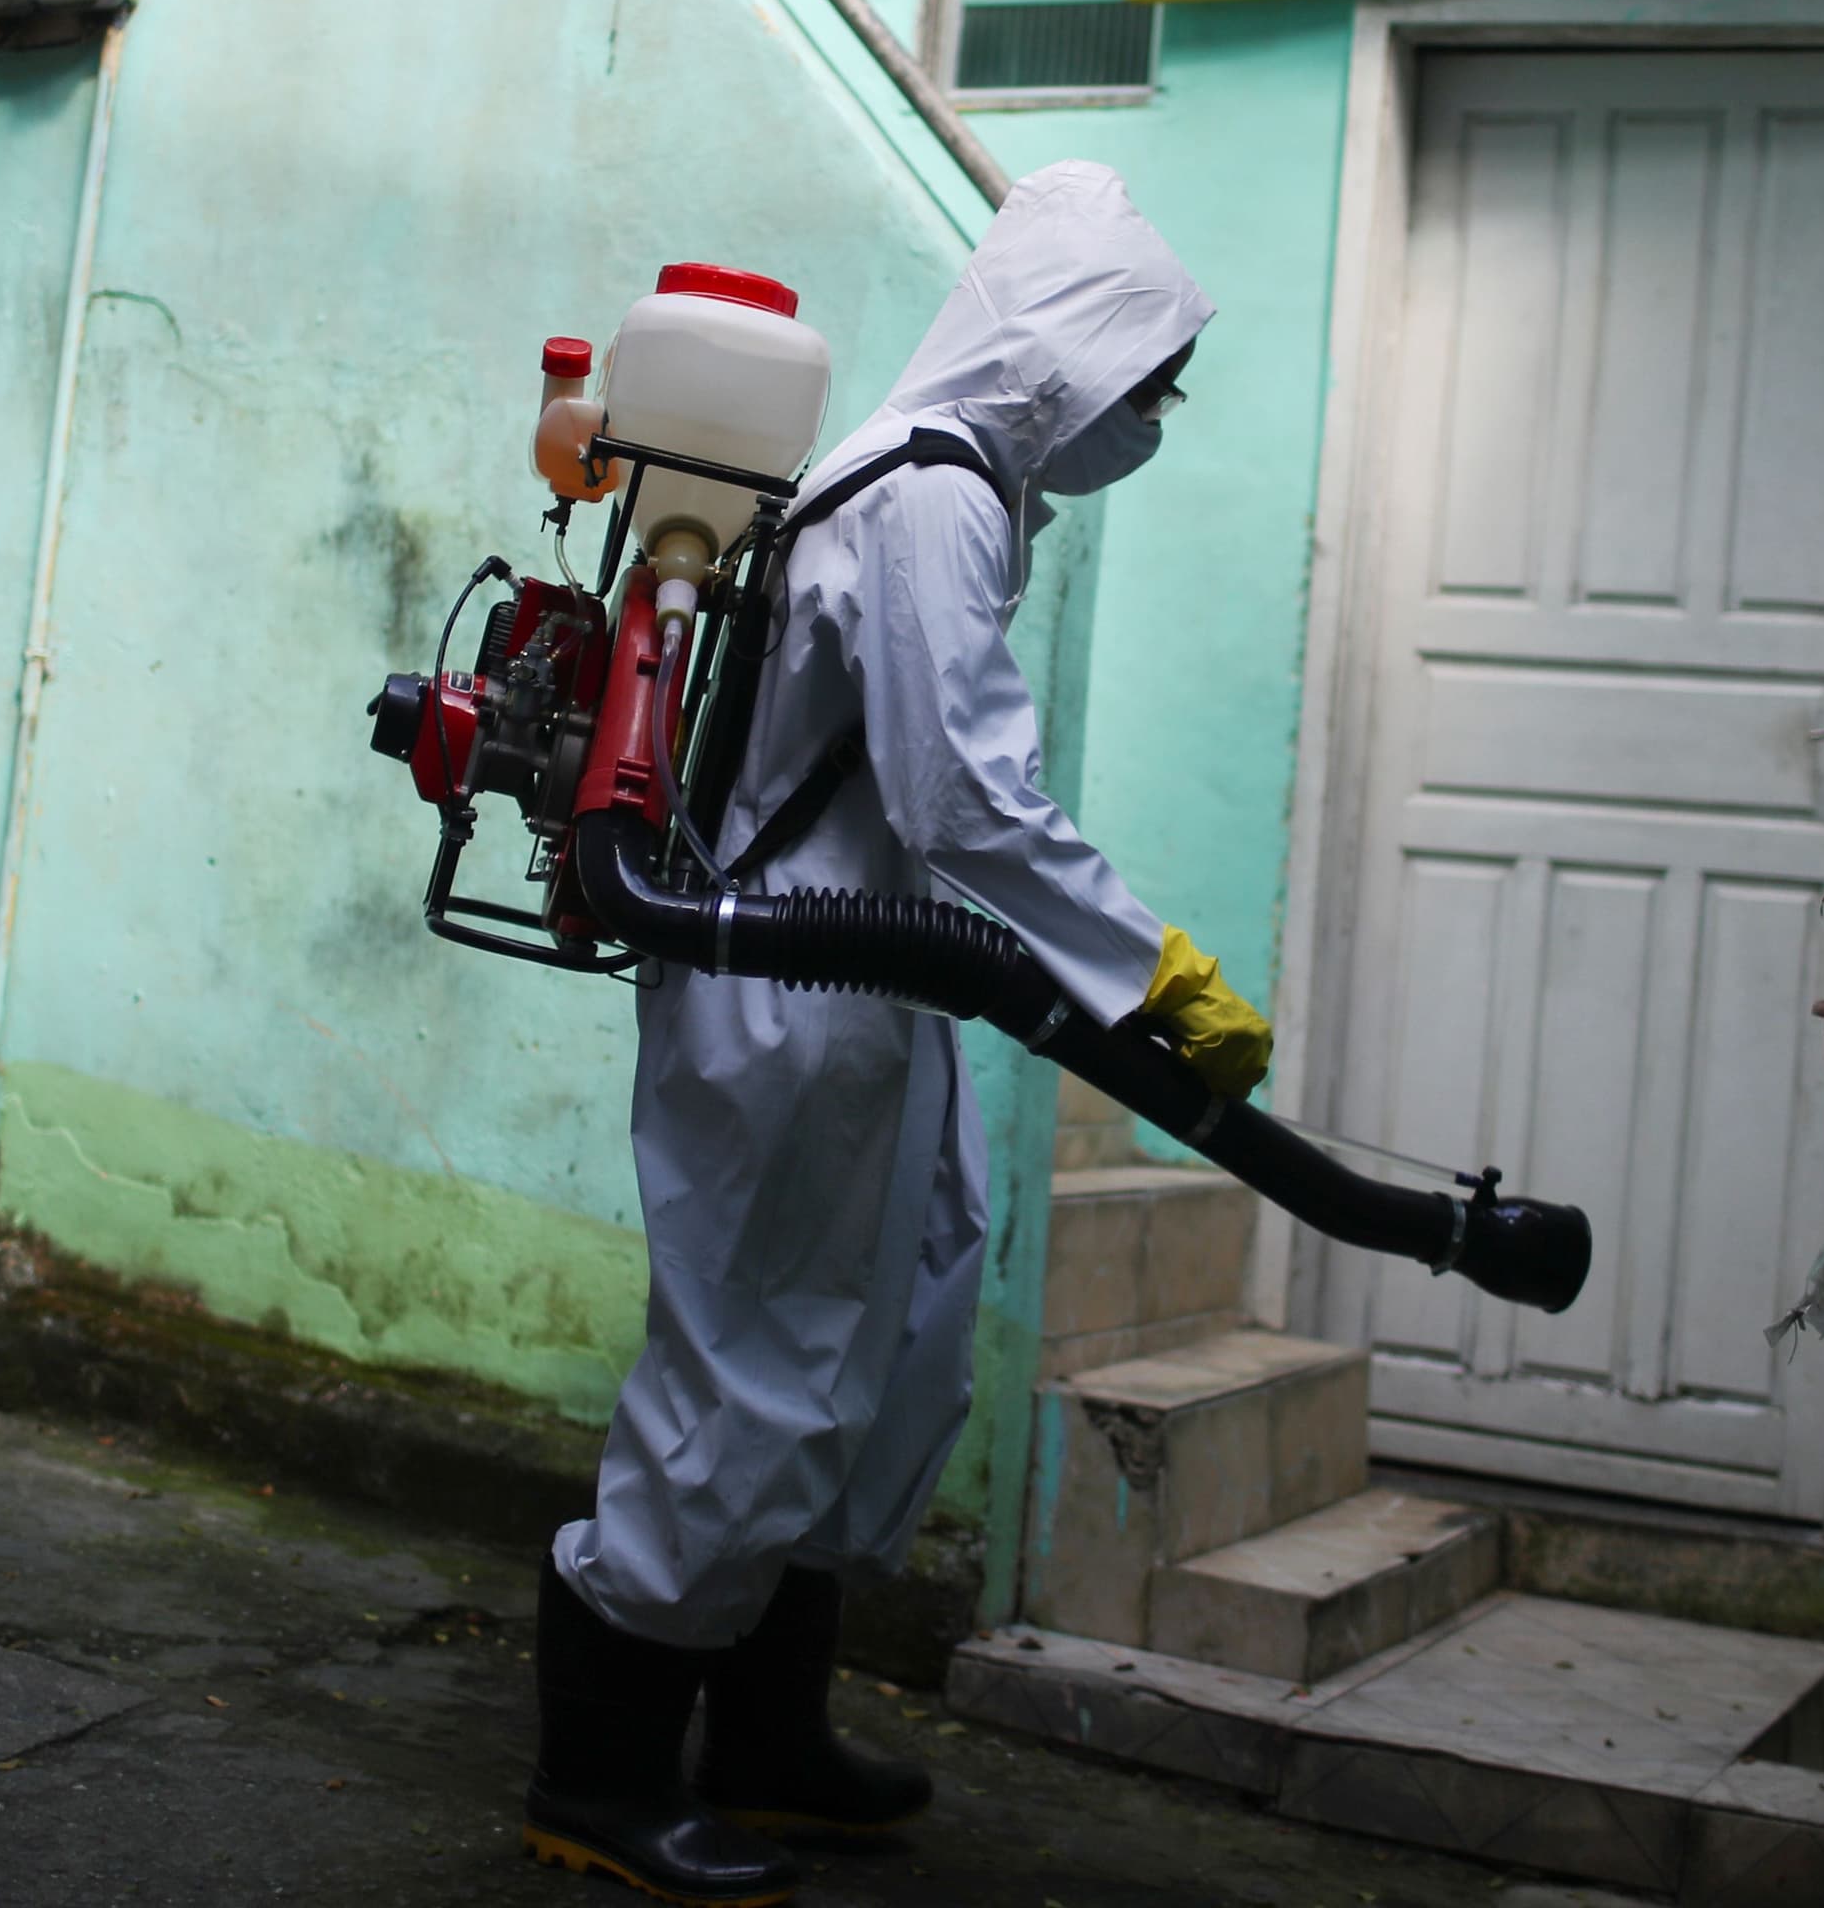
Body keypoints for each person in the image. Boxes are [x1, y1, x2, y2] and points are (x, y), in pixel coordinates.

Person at [523, 163, 1272, 1904]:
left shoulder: (942, 483)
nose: (1149, 419)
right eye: (1141, 383)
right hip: (786, 990)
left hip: (864, 981)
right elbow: (963, 796)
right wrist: (1150, 966)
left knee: (895, 1333)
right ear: (1063, 363)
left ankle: (767, 1739)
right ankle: (602, 1772)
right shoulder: (928, 496)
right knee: (763, 1365)